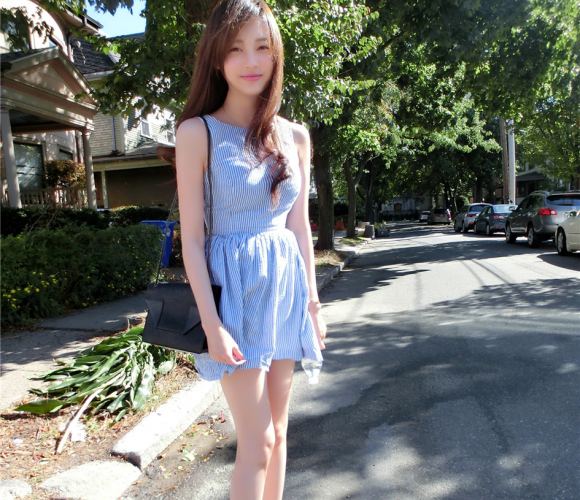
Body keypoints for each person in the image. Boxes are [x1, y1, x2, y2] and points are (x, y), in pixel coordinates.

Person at [172, 1, 326, 498]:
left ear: (276, 53)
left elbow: (299, 227)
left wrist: (313, 305)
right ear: (217, 59)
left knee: (278, 435)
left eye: (262, 46)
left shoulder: (295, 136)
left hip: (284, 291)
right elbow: (193, 240)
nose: (251, 61)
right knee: (257, 443)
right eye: (236, 49)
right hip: (234, 297)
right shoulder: (197, 133)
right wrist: (211, 325)